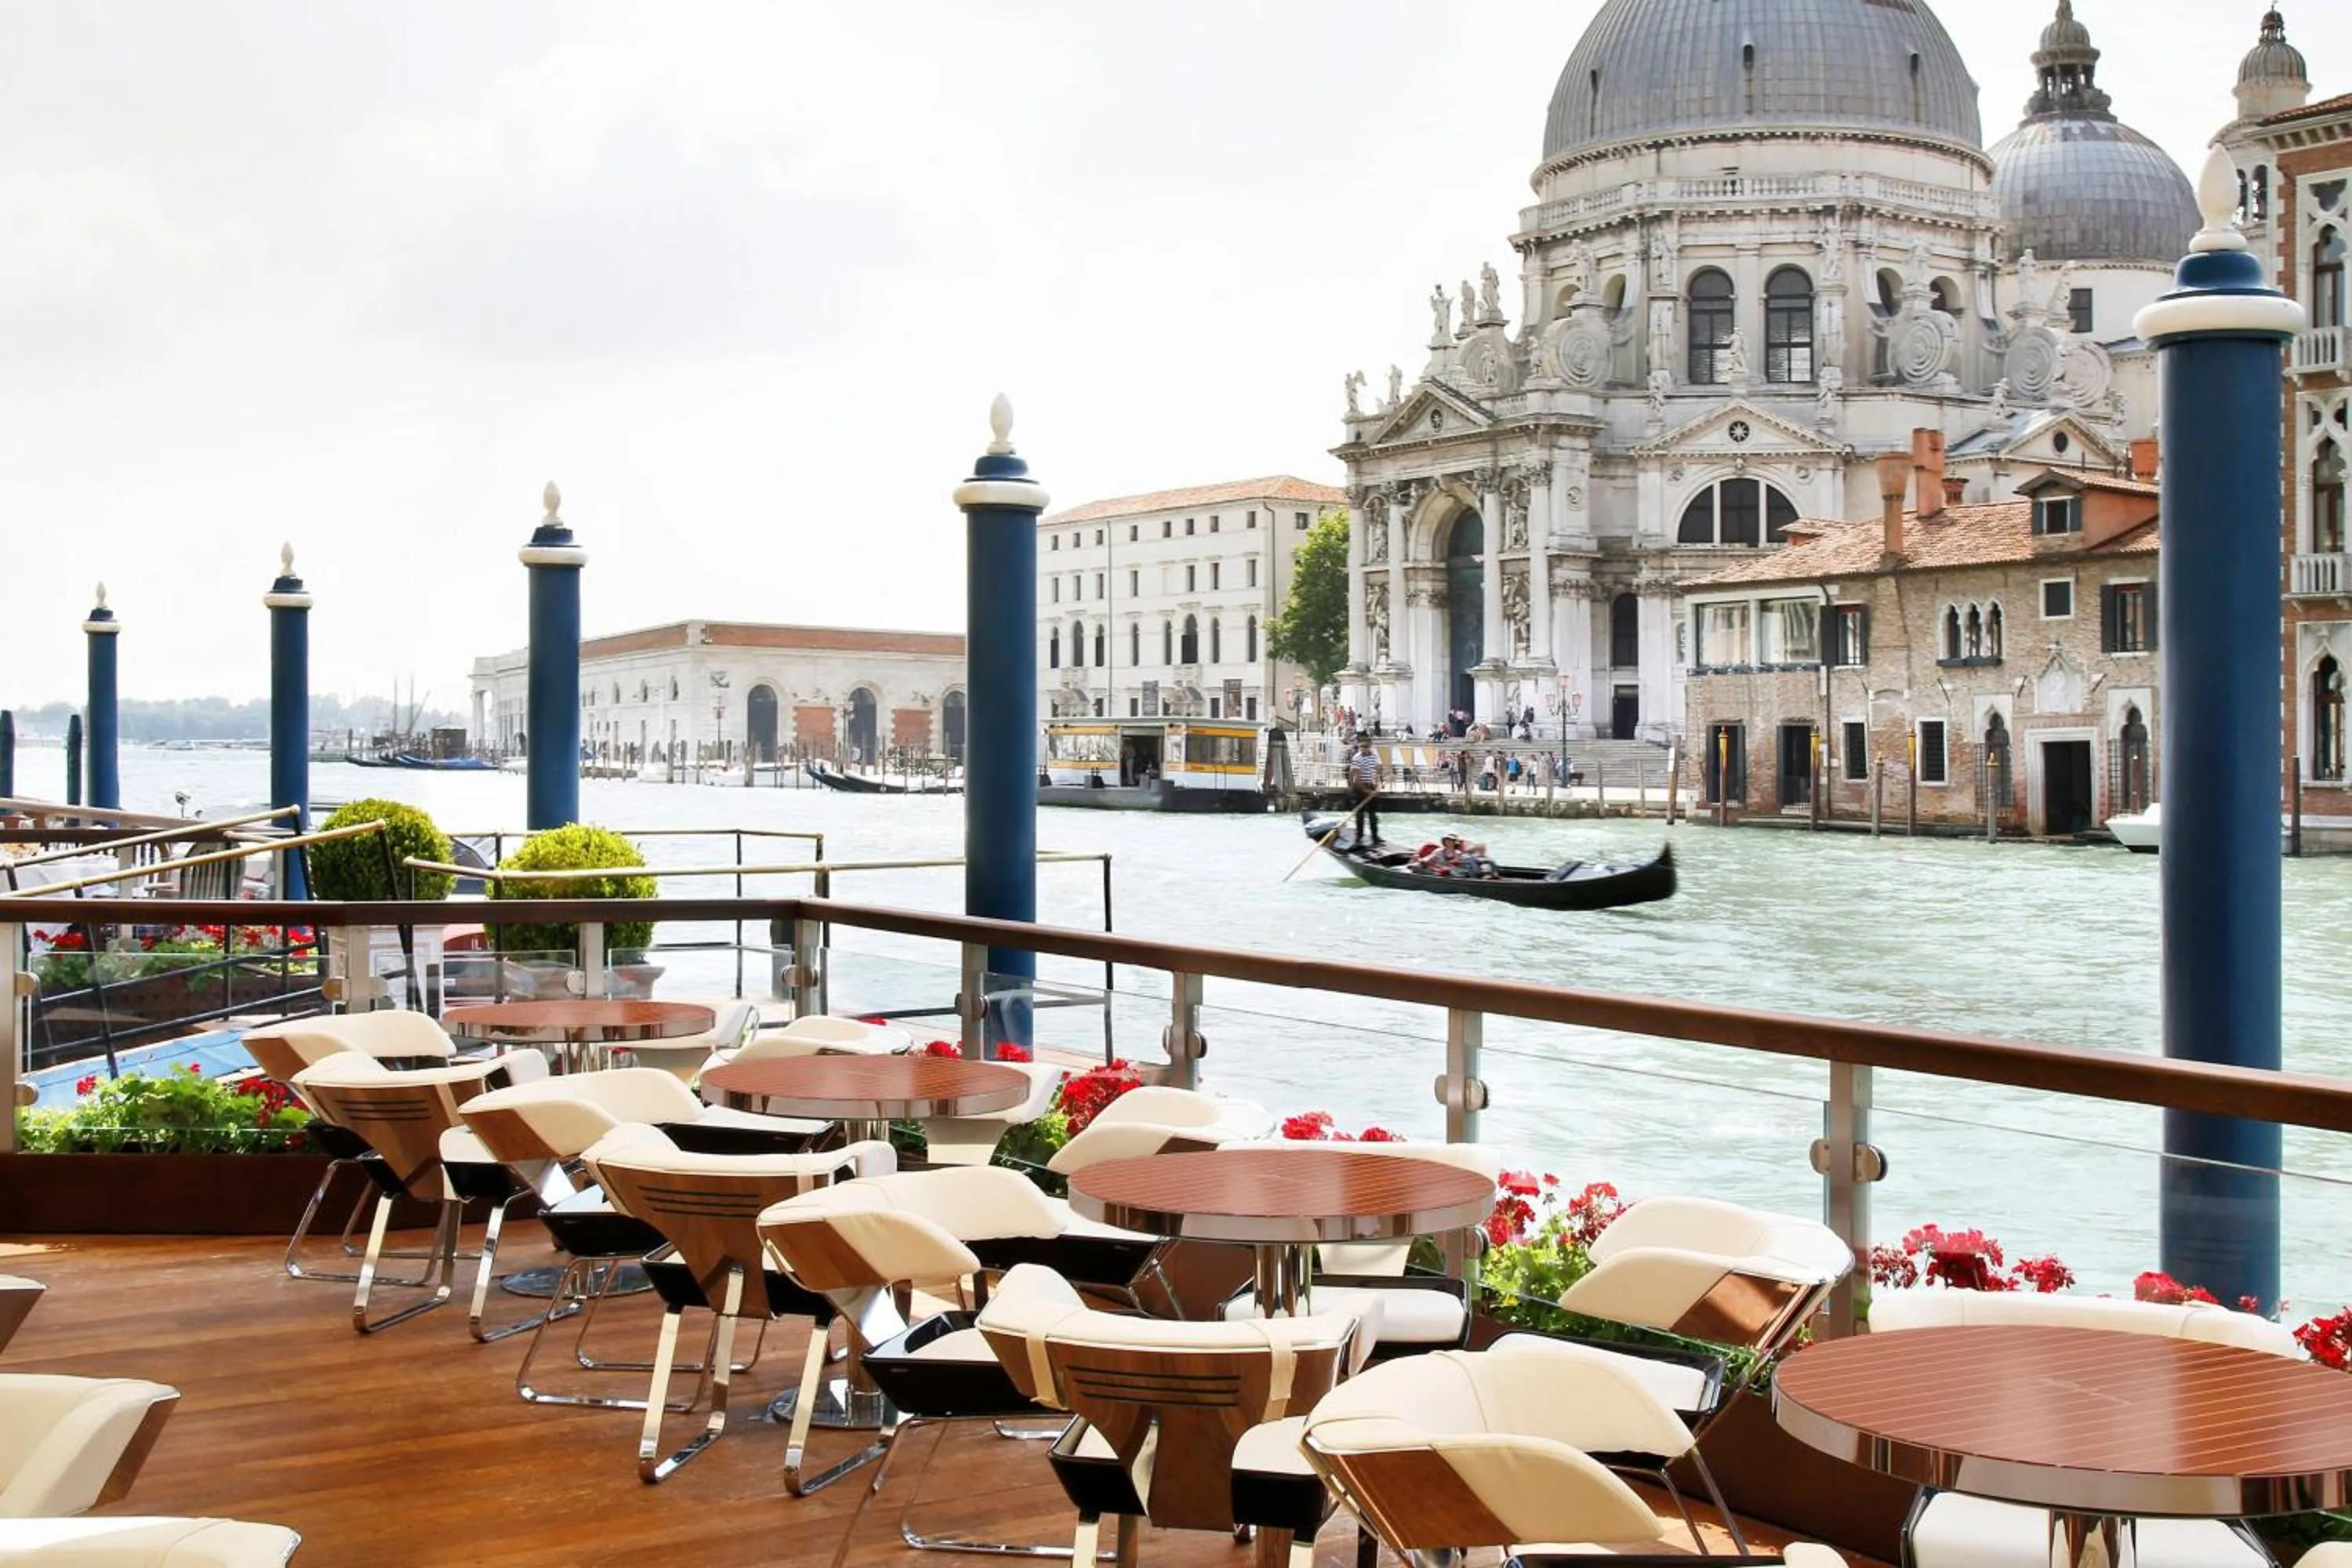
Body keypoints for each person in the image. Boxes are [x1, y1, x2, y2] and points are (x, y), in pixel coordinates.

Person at [1345, 735, 1383, 843]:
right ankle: (1359, 836)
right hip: (1359, 788)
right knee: (1360, 813)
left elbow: (1376, 771)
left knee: (1373, 813)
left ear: (1370, 746)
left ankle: (1375, 837)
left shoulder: (1375, 756)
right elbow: (1356, 779)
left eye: (1366, 746)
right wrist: (1367, 791)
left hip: (1371, 786)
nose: (1363, 748)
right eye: (1361, 746)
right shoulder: (1357, 758)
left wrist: (1377, 784)